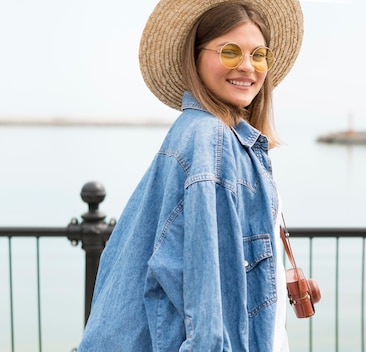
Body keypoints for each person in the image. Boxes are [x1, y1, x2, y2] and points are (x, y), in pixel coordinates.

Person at [78, 0, 303, 350]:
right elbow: (208, 298)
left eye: (259, 55)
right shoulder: (210, 140)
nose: (247, 66)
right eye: (230, 52)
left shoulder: (213, 135)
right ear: (195, 58)